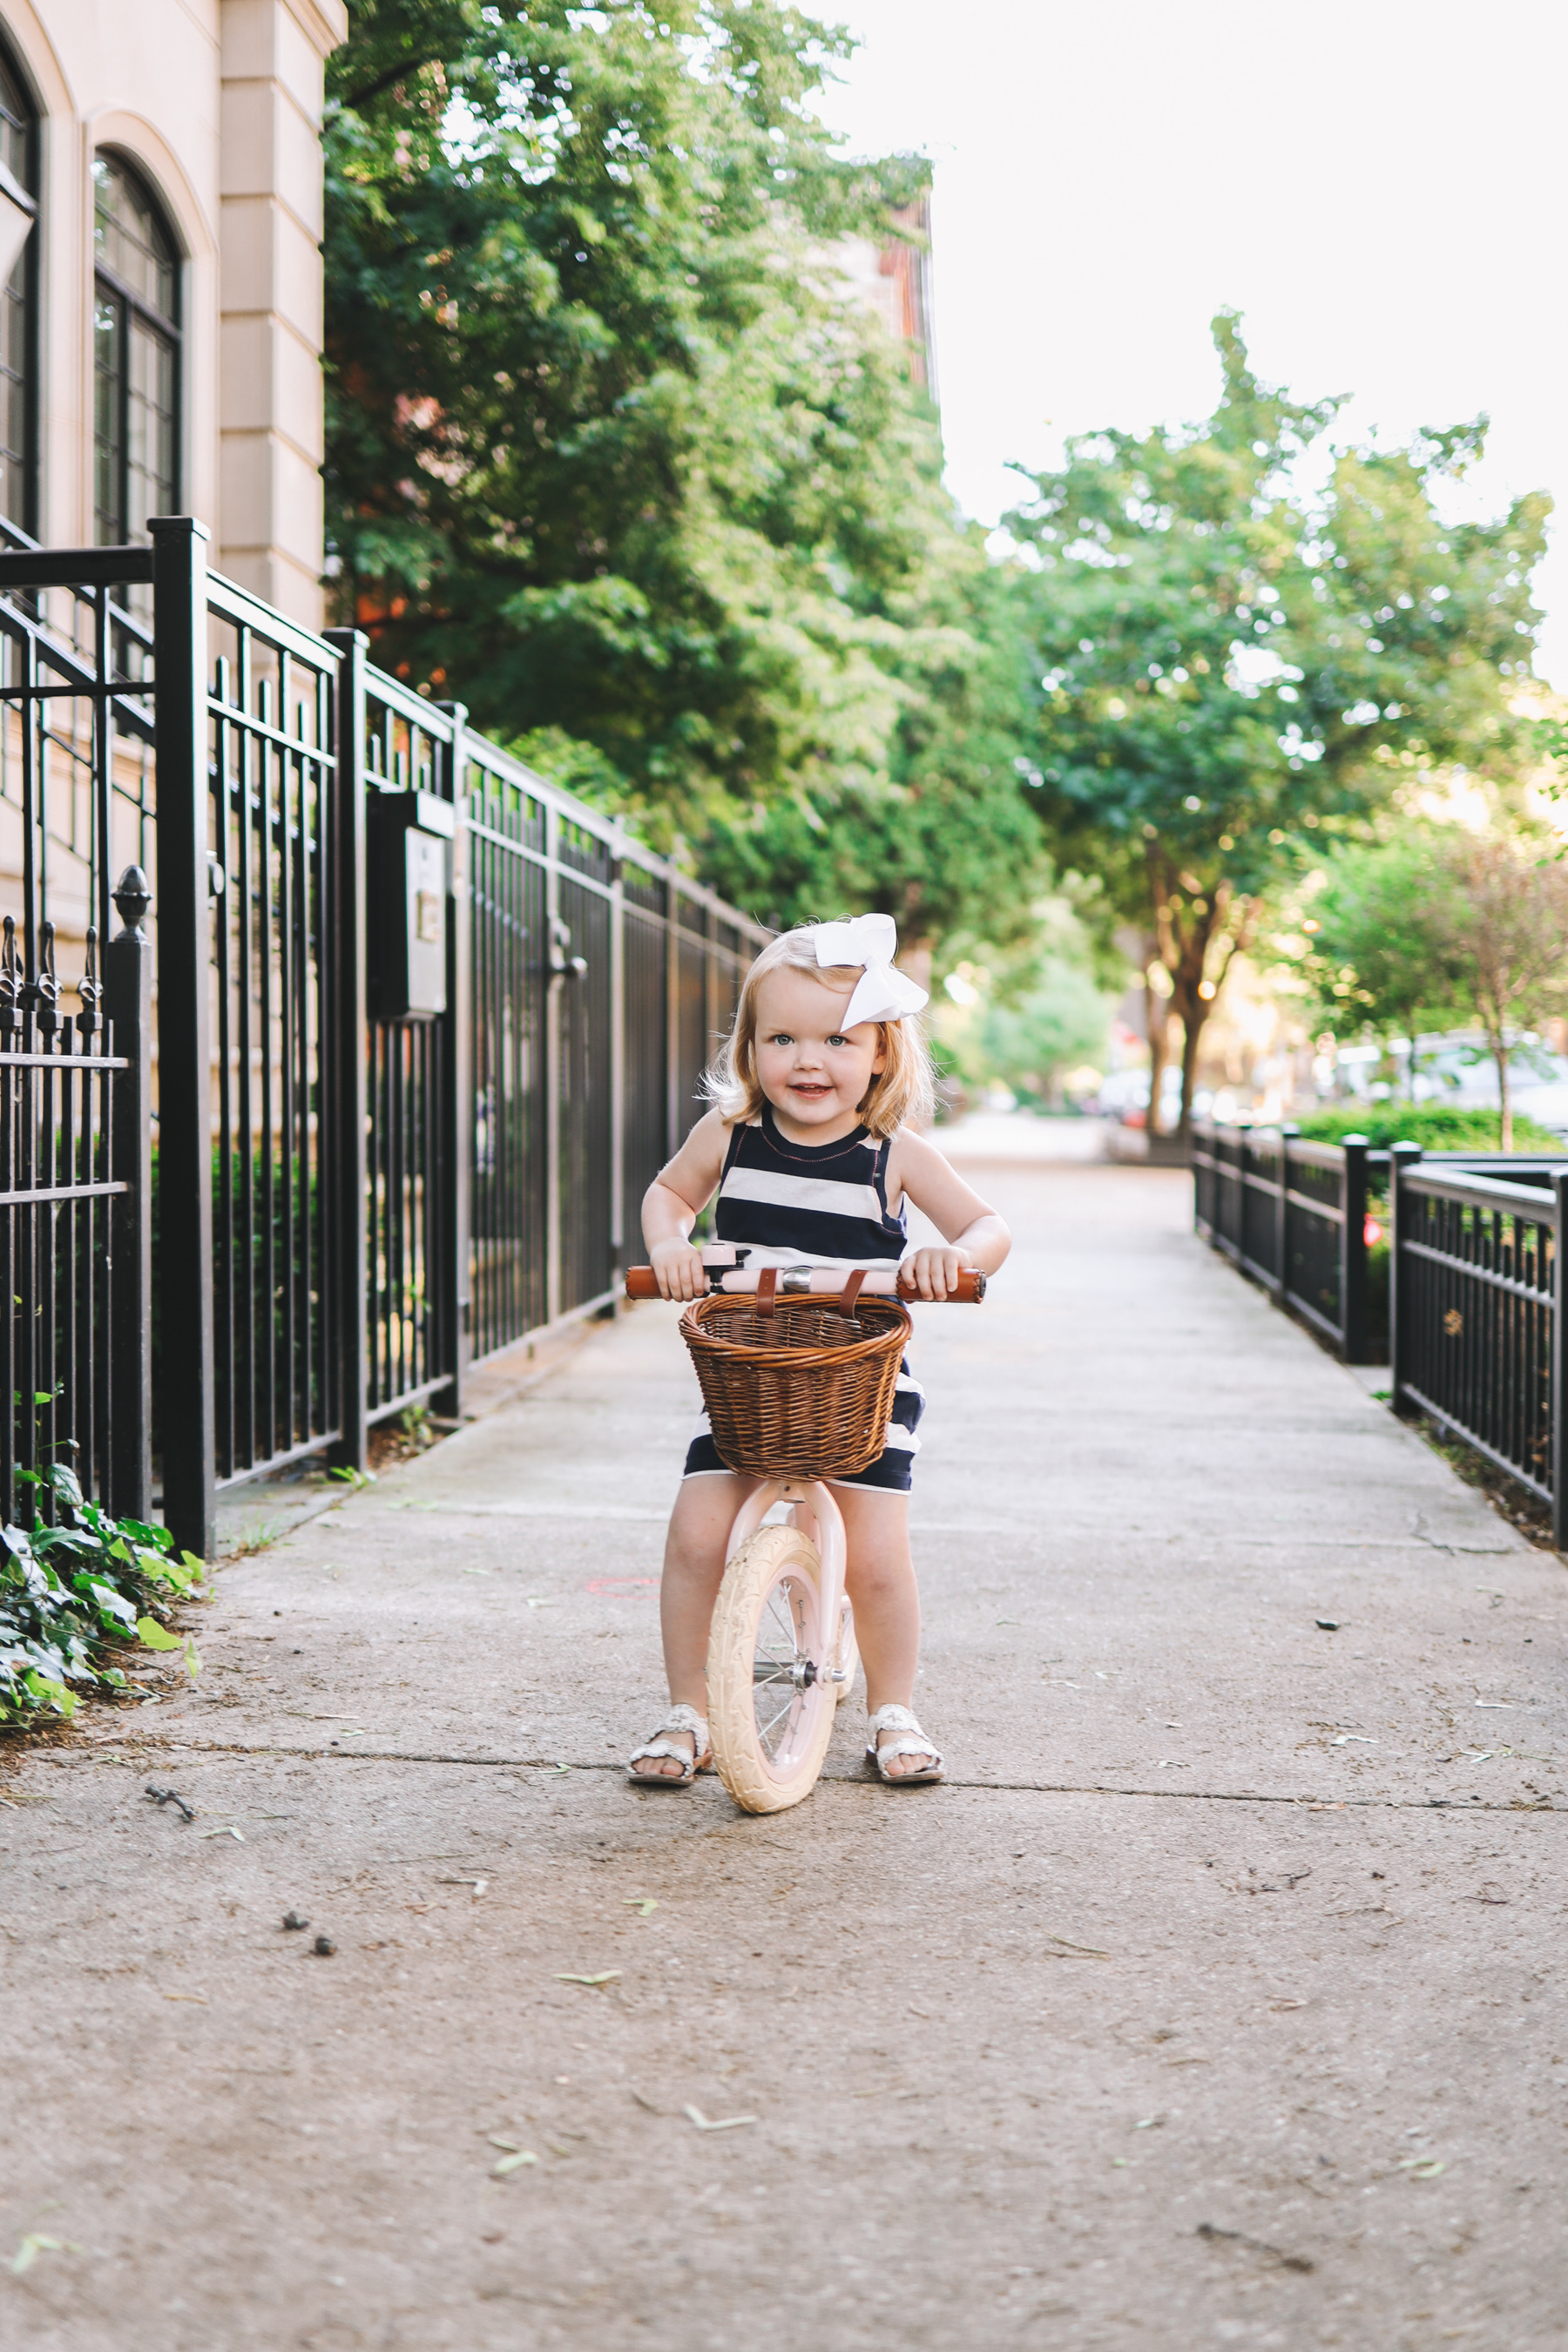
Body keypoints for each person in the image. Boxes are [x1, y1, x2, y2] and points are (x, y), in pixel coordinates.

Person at [627, 914, 1010, 1788]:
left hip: (862, 1384)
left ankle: (893, 1709)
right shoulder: (729, 1137)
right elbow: (667, 1195)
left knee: (876, 1559)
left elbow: (990, 1227)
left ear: (880, 1052)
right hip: (749, 1379)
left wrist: (951, 1259)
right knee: (694, 1537)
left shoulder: (895, 1156)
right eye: (783, 1038)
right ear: (749, 1048)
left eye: (837, 1039)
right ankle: (689, 1709)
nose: (809, 1059)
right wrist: (671, 1246)